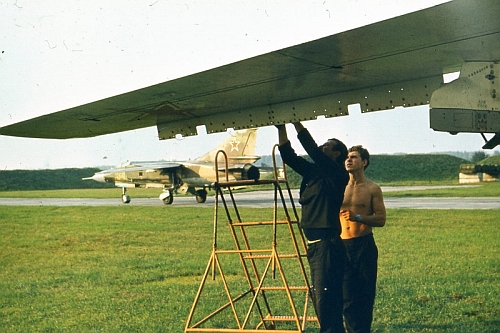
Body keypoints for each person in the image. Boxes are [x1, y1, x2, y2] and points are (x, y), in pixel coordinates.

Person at [276, 122, 349, 333]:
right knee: (323, 300)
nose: (322, 147)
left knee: (326, 300)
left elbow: (311, 149)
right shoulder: (313, 173)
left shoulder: (337, 174)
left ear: (336, 154)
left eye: (327, 146)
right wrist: (281, 128)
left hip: (327, 246)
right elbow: (289, 157)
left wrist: (296, 121)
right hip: (316, 246)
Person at [340, 145, 386, 333]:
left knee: (365, 294)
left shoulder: (372, 188)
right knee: (347, 295)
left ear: (364, 162)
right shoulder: (338, 185)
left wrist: (358, 217)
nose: (348, 160)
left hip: (363, 245)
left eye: (353, 157)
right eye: (347, 157)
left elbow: (381, 219)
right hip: (343, 244)